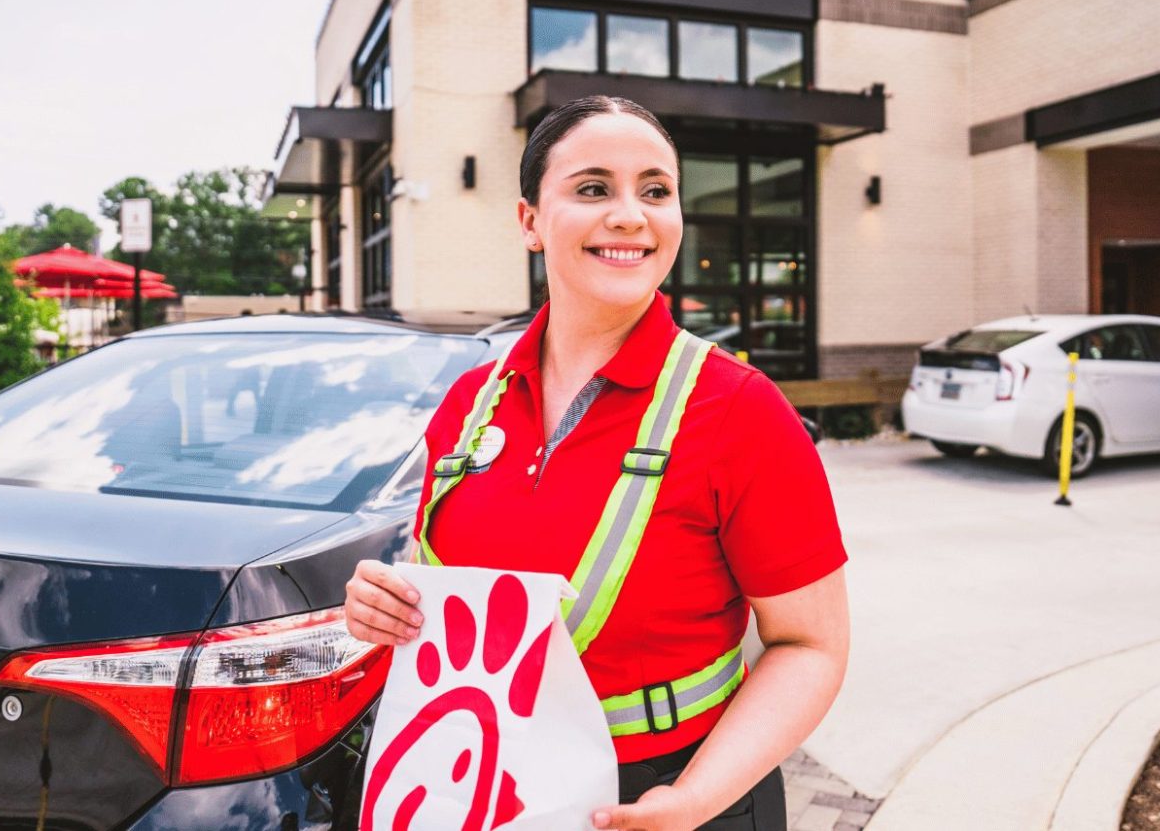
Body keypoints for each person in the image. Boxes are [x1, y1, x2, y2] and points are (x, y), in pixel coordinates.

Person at [346, 95, 849, 830]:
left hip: (670, 795)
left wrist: (697, 799)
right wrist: (386, 608)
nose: (629, 214)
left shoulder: (740, 410)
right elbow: (459, 605)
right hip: (484, 788)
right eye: (592, 188)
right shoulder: (467, 405)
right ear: (529, 222)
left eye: (655, 190)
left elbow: (811, 645)